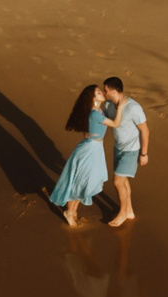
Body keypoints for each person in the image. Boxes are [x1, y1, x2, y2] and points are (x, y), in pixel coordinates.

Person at [45, 83, 111, 228]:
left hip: (96, 149)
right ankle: (70, 212)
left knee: (84, 182)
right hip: (90, 150)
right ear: (92, 98)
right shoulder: (94, 112)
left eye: (100, 91)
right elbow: (116, 123)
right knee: (79, 182)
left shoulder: (99, 110)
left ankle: (72, 211)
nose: (101, 93)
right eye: (98, 92)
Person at [102, 75, 150, 225]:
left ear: (114, 91)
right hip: (118, 148)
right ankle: (129, 210)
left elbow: (145, 131)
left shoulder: (133, 108)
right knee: (123, 180)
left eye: (105, 90)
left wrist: (144, 153)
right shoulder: (109, 106)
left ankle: (122, 213)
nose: (104, 93)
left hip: (132, 150)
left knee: (118, 181)